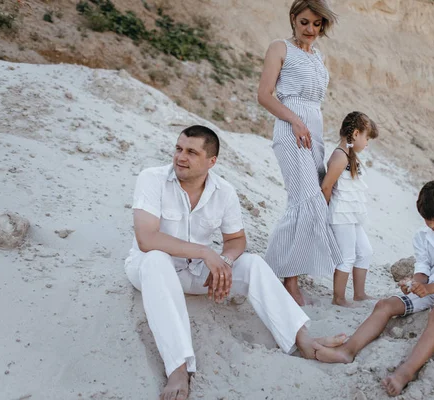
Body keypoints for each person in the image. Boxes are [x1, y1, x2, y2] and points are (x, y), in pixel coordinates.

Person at [124, 125, 345, 400]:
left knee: (252, 263)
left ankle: (301, 339)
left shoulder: (224, 191)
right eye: (179, 149)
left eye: (192, 152)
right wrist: (207, 253)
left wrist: (225, 261)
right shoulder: (152, 179)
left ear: (211, 162)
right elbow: (146, 239)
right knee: (156, 259)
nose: (181, 157)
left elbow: (237, 240)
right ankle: (178, 367)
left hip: (196, 273)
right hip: (150, 270)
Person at [313, 180, 434, 397]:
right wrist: (414, 283)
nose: (431, 225)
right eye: (426, 220)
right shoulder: (423, 236)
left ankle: (405, 372)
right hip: (429, 288)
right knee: (385, 304)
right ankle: (347, 351)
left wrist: (428, 289)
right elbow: (423, 268)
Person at [257, 0, 342, 305]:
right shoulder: (279, 48)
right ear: (293, 18)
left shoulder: (318, 57)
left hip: (313, 131)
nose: (310, 30)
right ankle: (286, 278)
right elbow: (264, 95)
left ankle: (285, 270)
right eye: (305, 22)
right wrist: (294, 121)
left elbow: (315, 103)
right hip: (291, 128)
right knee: (304, 199)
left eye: (317, 24)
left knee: (315, 198)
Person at [320, 111, 379, 307]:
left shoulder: (350, 155)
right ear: (355, 134)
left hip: (351, 213)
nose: (367, 143)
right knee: (347, 256)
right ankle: (338, 298)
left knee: (365, 251)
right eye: (367, 138)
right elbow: (327, 186)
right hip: (340, 214)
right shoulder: (340, 156)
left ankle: (359, 293)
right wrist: (323, 212)